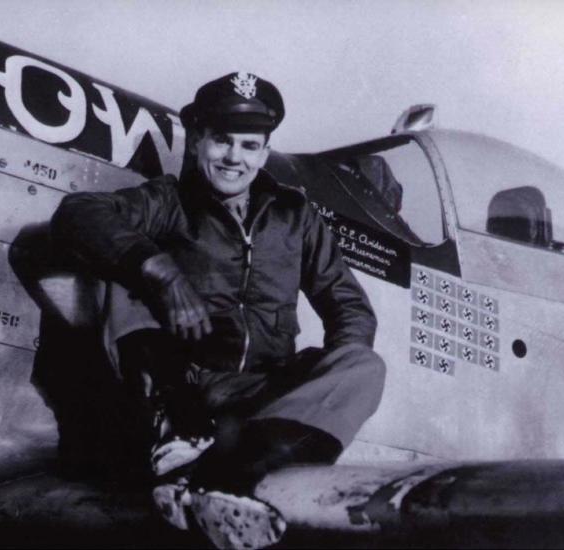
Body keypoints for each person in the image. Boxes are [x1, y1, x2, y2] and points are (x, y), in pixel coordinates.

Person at [49, 72, 386, 549]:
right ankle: (193, 454)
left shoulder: (295, 217)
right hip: (183, 388)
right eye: (222, 141)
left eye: (250, 145)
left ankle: (227, 473)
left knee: (364, 364)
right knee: (117, 274)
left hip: (261, 396)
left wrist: (322, 384)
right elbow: (79, 213)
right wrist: (161, 271)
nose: (234, 157)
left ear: (264, 153)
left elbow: (348, 304)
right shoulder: (169, 202)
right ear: (197, 144)